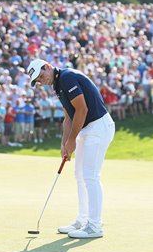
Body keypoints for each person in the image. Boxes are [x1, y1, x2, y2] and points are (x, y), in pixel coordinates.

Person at [27, 59, 115, 239]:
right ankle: (83, 220)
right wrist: (64, 143)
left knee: (91, 175)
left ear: (47, 66)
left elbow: (82, 110)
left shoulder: (67, 78)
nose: (41, 81)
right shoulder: (58, 85)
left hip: (98, 127)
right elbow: (68, 116)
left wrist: (72, 139)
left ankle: (95, 225)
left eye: (41, 76)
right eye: (37, 80)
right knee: (80, 176)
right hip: (87, 128)